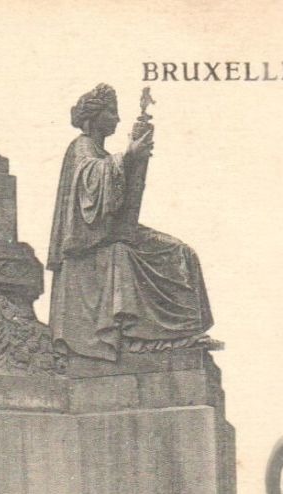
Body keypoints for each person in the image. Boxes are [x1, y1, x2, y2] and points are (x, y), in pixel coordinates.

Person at [47, 83, 214, 362]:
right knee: (142, 254)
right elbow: (90, 187)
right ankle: (144, 336)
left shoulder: (99, 152)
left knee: (182, 252)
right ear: (94, 116)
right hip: (90, 246)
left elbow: (121, 208)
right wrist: (128, 156)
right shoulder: (81, 147)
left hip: (108, 235)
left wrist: (135, 161)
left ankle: (185, 332)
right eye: (111, 112)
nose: (117, 118)